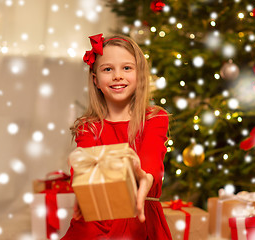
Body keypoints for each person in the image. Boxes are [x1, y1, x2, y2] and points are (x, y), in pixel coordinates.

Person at [61, 33, 172, 240]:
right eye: (108, 69)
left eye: (126, 68)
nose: (117, 76)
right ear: (96, 81)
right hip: (98, 221)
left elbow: (151, 161)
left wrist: (144, 179)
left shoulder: (154, 118)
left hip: (141, 220)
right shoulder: (88, 128)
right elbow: (85, 172)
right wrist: (81, 172)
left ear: (139, 75)